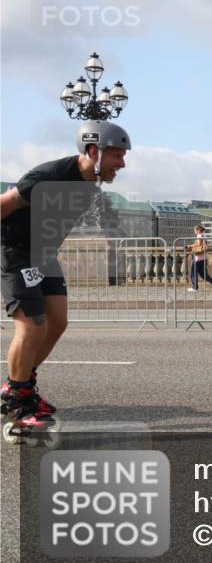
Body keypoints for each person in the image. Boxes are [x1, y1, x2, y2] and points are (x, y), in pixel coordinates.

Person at [0, 120, 130, 440]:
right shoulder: (47, 177)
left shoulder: (88, 185)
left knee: (57, 322)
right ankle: (19, 406)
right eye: (117, 155)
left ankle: (20, 387)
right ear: (93, 150)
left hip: (43, 254)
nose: (122, 164)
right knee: (33, 325)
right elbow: (4, 205)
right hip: (16, 251)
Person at [186, 224, 212, 291]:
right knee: (203, 274)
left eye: (195, 230)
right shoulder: (204, 236)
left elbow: (199, 244)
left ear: (198, 230)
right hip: (203, 258)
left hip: (198, 258)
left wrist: (190, 246)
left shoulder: (199, 235)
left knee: (193, 272)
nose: (194, 231)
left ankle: (194, 288)